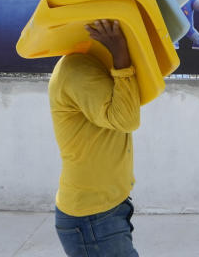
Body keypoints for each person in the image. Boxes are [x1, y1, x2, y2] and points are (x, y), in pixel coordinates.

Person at [48, 19, 142, 256]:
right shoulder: (78, 70)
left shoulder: (93, 65)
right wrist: (121, 52)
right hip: (93, 219)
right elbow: (126, 119)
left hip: (104, 211)